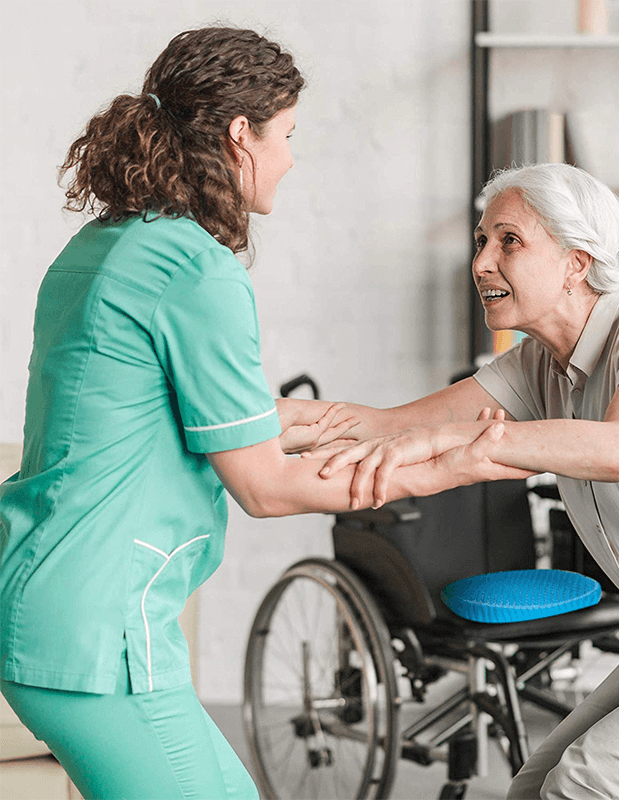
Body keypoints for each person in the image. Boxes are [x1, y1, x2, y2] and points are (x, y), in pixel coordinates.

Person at [0, 27, 527, 800]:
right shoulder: (195, 268)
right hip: (100, 633)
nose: (290, 157)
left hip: (48, 602)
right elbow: (265, 487)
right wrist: (451, 466)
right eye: (286, 135)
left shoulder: (104, 247)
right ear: (238, 134)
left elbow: (165, 410)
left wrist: (367, 422)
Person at [308, 162, 619, 800]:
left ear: (577, 261)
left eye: (508, 241)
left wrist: (458, 441)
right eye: (482, 241)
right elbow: (386, 426)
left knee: (590, 783)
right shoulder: (541, 368)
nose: (482, 262)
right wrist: (252, 427)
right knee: (533, 787)